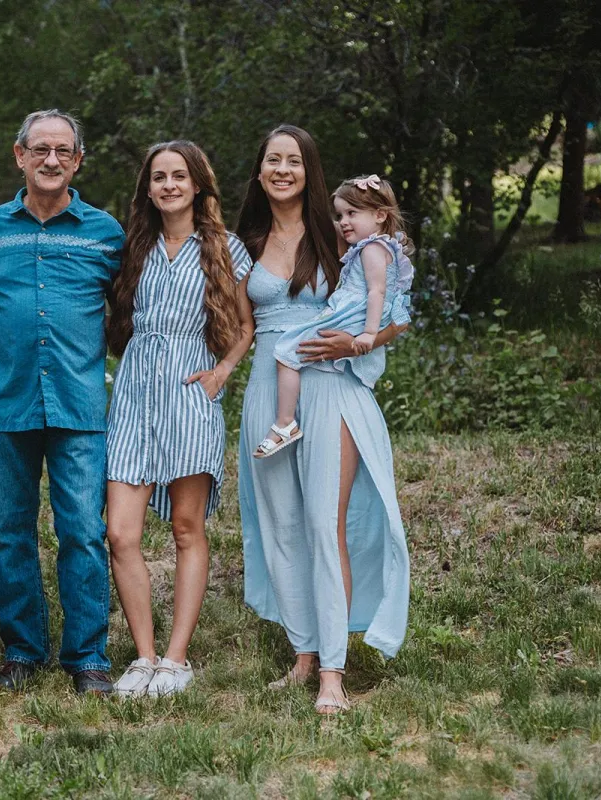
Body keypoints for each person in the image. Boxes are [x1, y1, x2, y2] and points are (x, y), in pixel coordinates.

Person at [235, 125, 411, 714]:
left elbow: (394, 315)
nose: (281, 169)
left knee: (322, 524)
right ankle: (303, 653)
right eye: (272, 160)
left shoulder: (340, 236)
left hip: (330, 388)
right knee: (281, 525)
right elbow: (238, 328)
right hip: (268, 385)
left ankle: (333, 670)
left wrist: (358, 345)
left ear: (308, 170)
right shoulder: (246, 239)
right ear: (259, 171)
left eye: (293, 161)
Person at [0, 109, 125, 696]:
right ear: (20, 156)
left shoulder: (104, 233)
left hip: (79, 404)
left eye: (62, 151)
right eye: (40, 150)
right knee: (11, 533)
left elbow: (132, 307)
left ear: (78, 160)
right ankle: (22, 652)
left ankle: (87, 657)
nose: (51, 160)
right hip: (3, 404)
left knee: (83, 531)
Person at [103, 141, 252, 697]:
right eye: (158, 177)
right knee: (121, 532)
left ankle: (176, 659)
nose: (168, 185)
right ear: (147, 188)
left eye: (179, 176)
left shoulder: (225, 248)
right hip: (136, 389)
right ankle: (143, 656)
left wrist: (223, 371)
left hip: (191, 389)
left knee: (187, 528)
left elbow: (245, 324)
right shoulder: (131, 249)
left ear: (197, 185)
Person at [255, 174, 414, 457]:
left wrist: (367, 332)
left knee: (286, 351)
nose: (343, 222)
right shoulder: (378, 247)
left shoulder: (371, 249)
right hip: (355, 317)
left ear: (379, 215)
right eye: (340, 214)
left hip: (351, 317)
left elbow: (377, 293)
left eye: (352, 213)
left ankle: (285, 423)